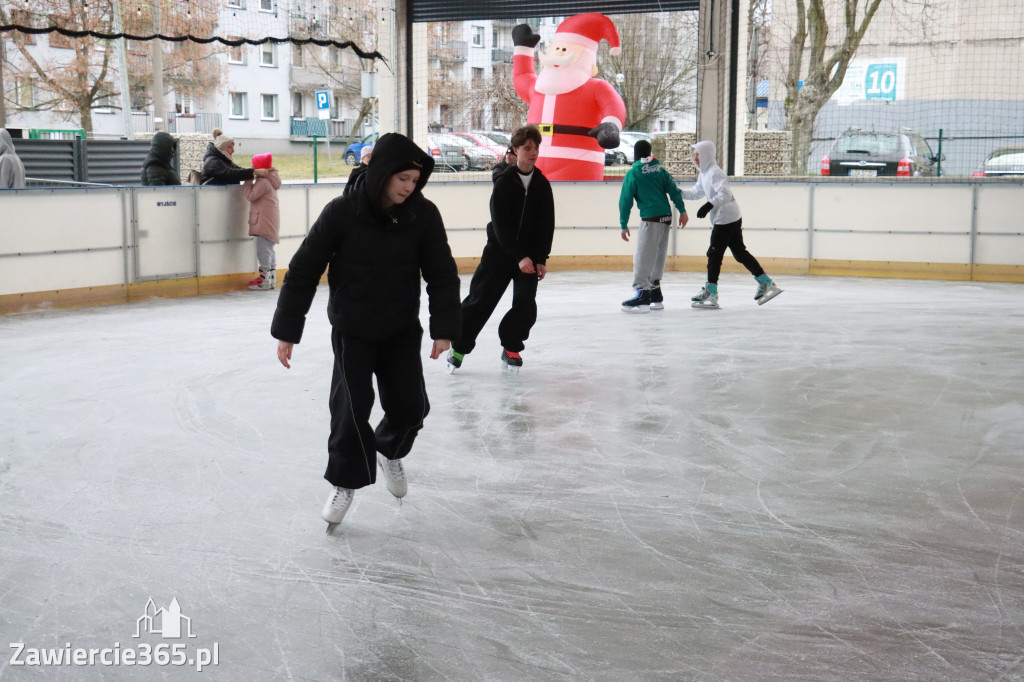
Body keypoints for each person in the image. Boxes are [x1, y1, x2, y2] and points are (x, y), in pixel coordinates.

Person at [271, 132, 461, 531]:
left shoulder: (422, 215)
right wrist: (287, 329)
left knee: (412, 408)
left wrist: (443, 328)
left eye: (415, 180)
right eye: (403, 179)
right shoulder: (342, 212)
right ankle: (344, 483)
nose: (410, 187)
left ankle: (389, 449)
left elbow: (442, 272)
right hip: (353, 329)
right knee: (349, 413)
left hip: (399, 329)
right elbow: (304, 270)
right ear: (382, 174)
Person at [446, 125, 555, 375]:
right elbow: (500, 224)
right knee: (480, 301)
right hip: (500, 253)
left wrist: (540, 258)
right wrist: (519, 256)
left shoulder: (541, 184)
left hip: (529, 257)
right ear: (516, 151)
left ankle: (511, 346)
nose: (533, 153)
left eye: (536, 148)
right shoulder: (505, 181)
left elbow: (545, 224)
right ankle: (459, 346)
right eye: (527, 148)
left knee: (525, 304)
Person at [682, 140, 783, 309]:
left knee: (714, 254)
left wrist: (709, 205)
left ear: (706, 154)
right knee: (739, 253)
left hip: (726, 217)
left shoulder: (715, 172)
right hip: (730, 216)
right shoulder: (704, 174)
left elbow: (726, 193)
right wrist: (675, 192)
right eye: (694, 156)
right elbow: (694, 193)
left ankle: (711, 292)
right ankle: (766, 282)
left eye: (698, 155)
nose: (696, 158)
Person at [618, 138, 688, 313]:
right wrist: (682, 211)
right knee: (658, 254)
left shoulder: (634, 172)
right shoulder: (660, 170)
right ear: (649, 153)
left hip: (650, 218)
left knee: (644, 255)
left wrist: (623, 223)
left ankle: (642, 294)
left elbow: (625, 200)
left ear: (635, 154)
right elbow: (674, 190)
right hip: (666, 217)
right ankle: (655, 293)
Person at [243, 153, 281, 291]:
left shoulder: (263, 182)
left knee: (263, 250)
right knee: (269, 250)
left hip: (264, 221)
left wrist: (248, 181)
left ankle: (264, 279)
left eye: (254, 165)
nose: (252, 167)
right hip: (269, 220)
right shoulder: (269, 180)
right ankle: (271, 278)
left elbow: (250, 196)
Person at [201, 128, 266, 185]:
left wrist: (253, 171)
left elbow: (238, 170)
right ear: (222, 147)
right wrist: (254, 172)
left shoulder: (224, 161)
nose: (233, 151)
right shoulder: (212, 162)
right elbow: (230, 174)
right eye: (230, 147)